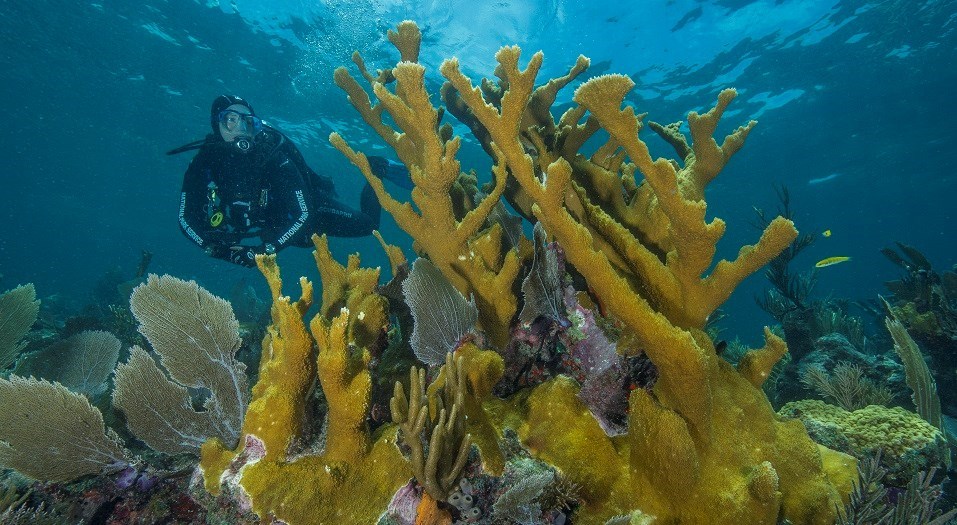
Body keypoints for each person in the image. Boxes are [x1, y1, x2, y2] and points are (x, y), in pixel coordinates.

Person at [172, 95, 410, 267]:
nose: (240, 128)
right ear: (217, 124)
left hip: (308, 210)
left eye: (248, 121)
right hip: (276, 226)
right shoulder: (203, 163)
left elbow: (303, 214)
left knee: (368, 226)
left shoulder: (272, 157)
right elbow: (185, 217)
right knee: (303, 240)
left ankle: (375, 169)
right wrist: (212, 246)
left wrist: (265, 250)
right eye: (231, 120)